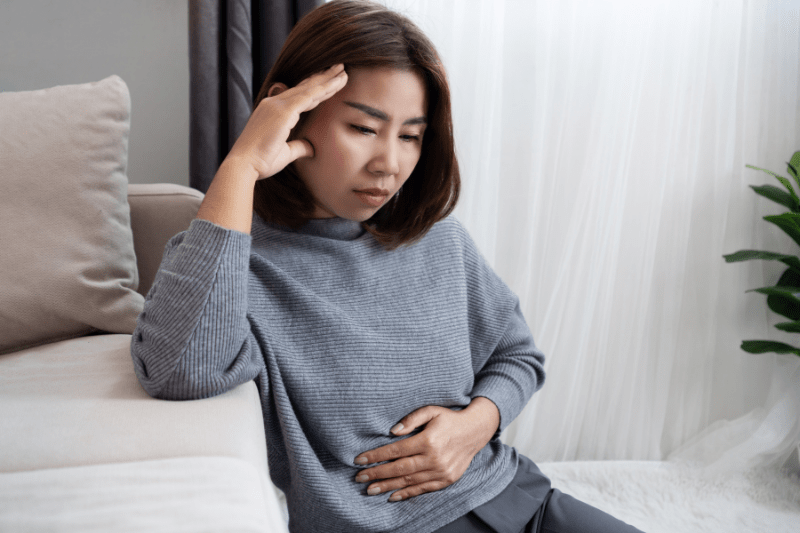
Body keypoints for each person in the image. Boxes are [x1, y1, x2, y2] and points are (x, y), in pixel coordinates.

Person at [131, 1, 644, 532]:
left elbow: (517, 354)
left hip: (516, 497)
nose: (389, 164)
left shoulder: (437, 239)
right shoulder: (232, 261)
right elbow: (179, 372)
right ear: (288, 114)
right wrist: (241, 166)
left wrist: (476, 423)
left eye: (410, 136)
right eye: (363, 127)